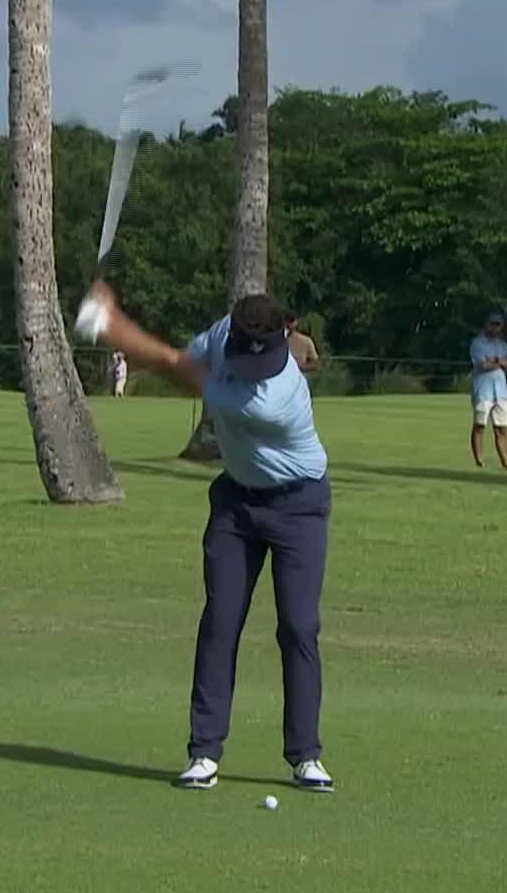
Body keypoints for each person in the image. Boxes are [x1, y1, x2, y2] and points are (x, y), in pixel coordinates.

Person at [74, 280, 335, 794]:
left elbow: (171, 365)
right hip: (236, 502)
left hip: (298, 506)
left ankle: (305, 755)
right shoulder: (222, 335)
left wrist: (107, 323)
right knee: (220, 620)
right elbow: (178, 358)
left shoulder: (275, 397)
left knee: (299, 627)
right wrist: (113, 328)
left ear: (285, 339)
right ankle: (204, 751)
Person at [468, 312, 507, 470]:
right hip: (483, 391)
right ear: (486, 324)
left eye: (498, 324)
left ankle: (506, 461)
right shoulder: (477, 343)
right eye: (492, 324)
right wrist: (502, 363)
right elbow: (483, 365)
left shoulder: (501, 344)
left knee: (501, 428)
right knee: (479, 425)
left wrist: (497, 361)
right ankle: (479, 460)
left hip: (501, 392)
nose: (495, 327)